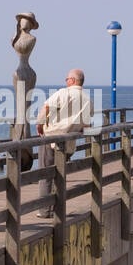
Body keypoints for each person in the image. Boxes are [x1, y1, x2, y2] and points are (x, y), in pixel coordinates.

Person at [36, 69, 93, 216]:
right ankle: (58, 208)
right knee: (60, 175)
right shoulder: (87, 99)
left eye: (67, 78)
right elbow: (86, 124)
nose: (65, 81)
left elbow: (46, 107)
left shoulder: (63, 93)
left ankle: (44, 210)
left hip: (51, 137)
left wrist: (40, 124)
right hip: (68, 142)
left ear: (73, 81)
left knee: (45, 173)